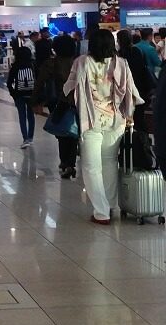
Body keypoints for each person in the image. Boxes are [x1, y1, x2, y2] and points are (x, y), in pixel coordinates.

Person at [64, 28, 142, 225]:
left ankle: (101, 212)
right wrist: (130, 116)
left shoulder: (82, 62)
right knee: (109, 163)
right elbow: (131, 92)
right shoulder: (121, 63)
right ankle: (109, 206)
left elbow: (69, 88)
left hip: (90, 119)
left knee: (91, 167)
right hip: (116, 120)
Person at [33, 34, 78, 177]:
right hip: (77, 102)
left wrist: (35, 102)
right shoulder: (79, 63)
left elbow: (39, 83)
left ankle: (66, 162)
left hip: (58, 102)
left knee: (62, 131)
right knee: (73, 131)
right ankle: (69, 162)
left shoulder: (51, 63)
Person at [117, 29, 154, 133]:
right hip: (139, 88)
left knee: (125, 118)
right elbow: (142, 69)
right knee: (139, 118)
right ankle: (143, 143)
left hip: (124, 90)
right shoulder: (136, 51)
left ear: (119, 41)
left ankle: (128, 142)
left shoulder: (119, 55)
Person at [7, 45, 36, 148]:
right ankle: (31, 137)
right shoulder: (33, 65)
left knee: (22, 116)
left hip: (19, 94)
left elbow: (9, 82)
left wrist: (13, 94)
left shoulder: (15, 66)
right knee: (31, 116)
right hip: (31, 94)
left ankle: (25, 138)